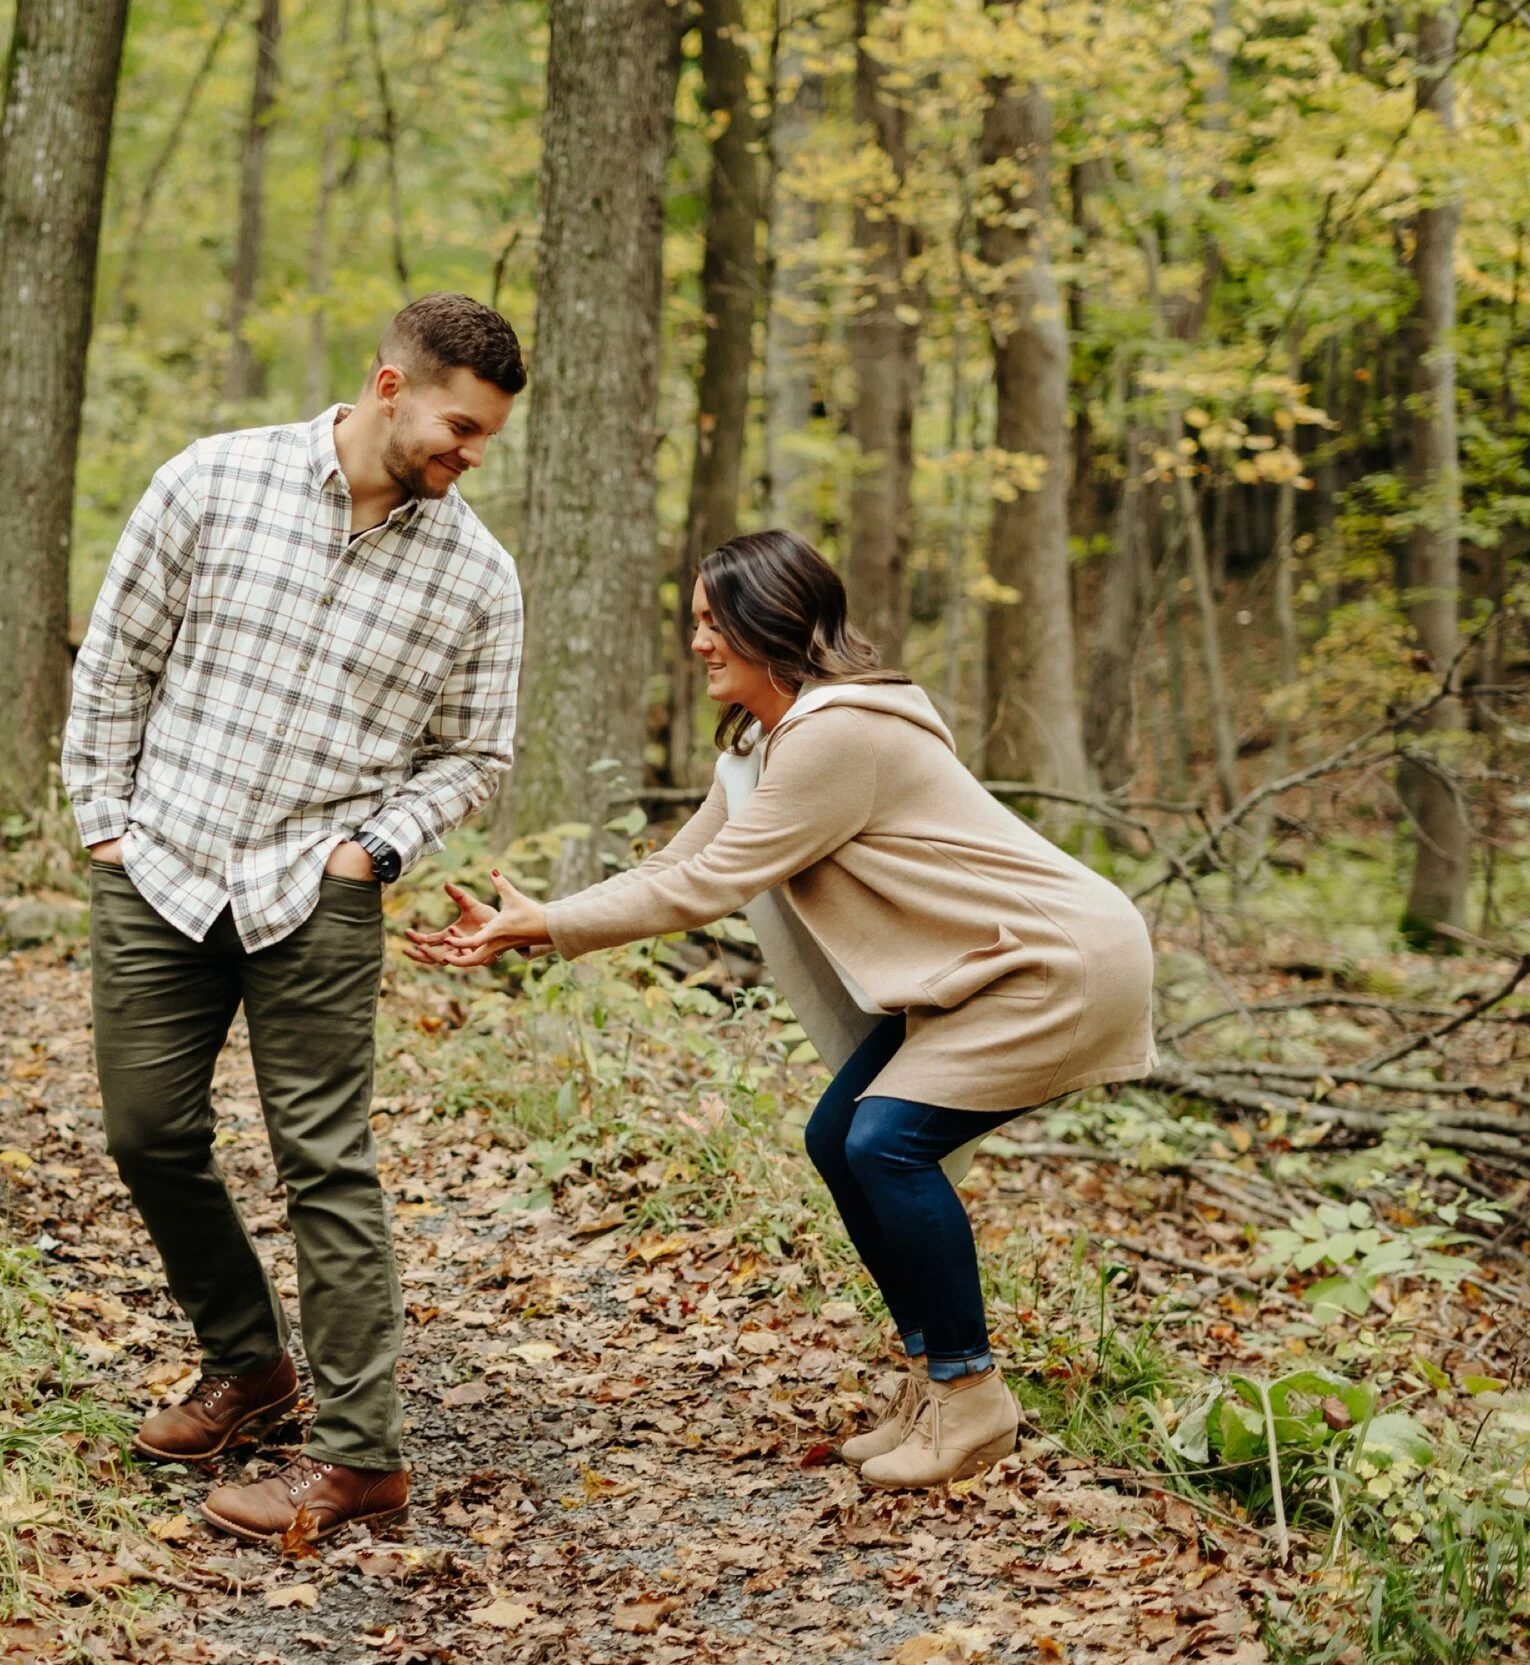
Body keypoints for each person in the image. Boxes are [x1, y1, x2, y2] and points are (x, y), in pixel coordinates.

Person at [407, 528, 1155, 1490]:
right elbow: (678, 864)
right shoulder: (775, 744)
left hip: (1055, 964)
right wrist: (537, 921)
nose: (699, 642)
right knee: (839, 1132)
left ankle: (972, 1400)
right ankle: (936, 1380)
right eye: (696, 622)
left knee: (886, 1141)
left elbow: (709, 885)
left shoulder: (838, 734)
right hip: (990, 966)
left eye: (715, 622)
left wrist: (549, 924)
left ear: (771, 622)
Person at [61, 294, 527, 1541]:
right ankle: (248, 1366)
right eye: (457, 425)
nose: (468, 453)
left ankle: (358, 1455)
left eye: (485, 438)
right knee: (146, 1134)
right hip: (160, 865)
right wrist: (104, 822)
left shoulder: (477, 572)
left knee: (326, 1165)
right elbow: (116, 659)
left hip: (313, 895)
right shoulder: (212, 481)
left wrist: (370, 851)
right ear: (389, 386)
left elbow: (474, 753)